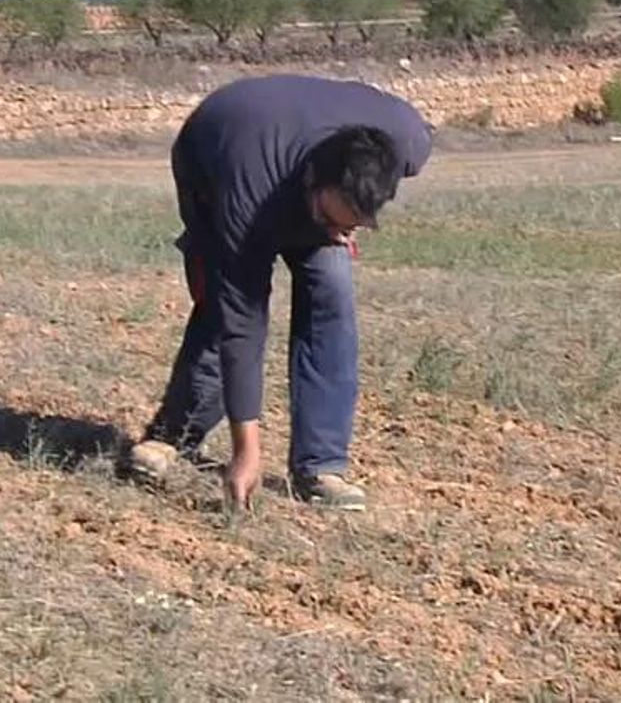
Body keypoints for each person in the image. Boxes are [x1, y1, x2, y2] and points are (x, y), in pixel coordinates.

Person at [122, 74, 433, 511]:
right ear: (310, 181)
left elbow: (350, 201)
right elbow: (241, 323)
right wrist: (246, 450)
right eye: (330, 219)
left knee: (332, 294)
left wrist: (337, 224)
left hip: (289, 141)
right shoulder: (246, 190)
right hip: (215, 149)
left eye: (351, 224)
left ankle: (320, 466)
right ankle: (174, 436)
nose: (337, 234)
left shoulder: (405, 145)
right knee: (225, 304)